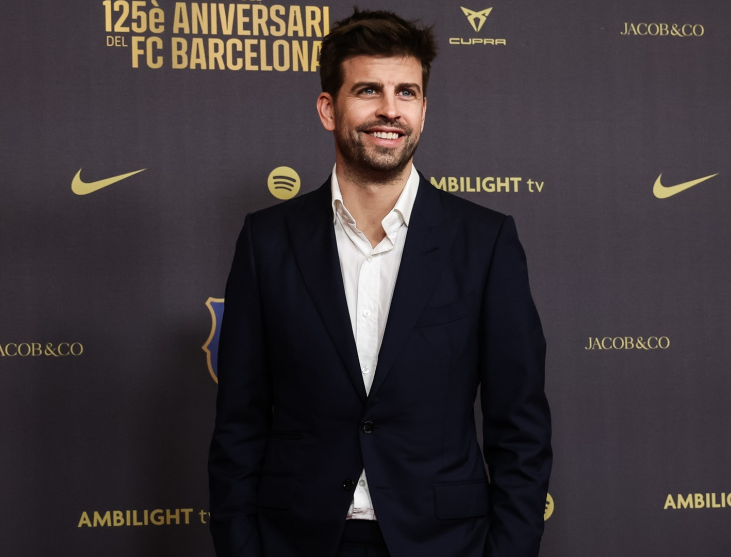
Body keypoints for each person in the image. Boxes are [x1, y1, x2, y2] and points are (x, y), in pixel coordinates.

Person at [209, 9, 551, 557]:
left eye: (406, 93)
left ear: (423, 109)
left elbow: (521, 428)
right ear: (329, 108)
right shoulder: (267, 242)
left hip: (445, 543)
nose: (390, 110)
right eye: (369, 90)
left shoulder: (485, 242)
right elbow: (239, 426)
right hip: (297, 539)